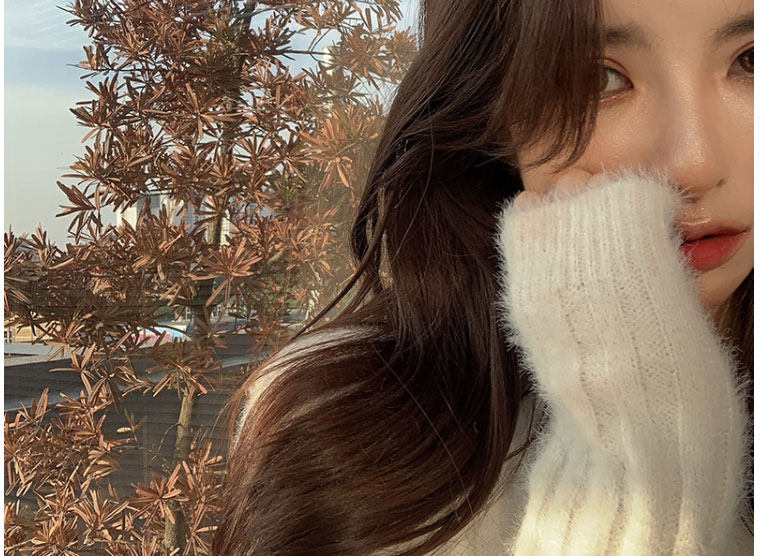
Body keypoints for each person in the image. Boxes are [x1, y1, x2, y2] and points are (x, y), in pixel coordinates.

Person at [213, 0, 754, 554]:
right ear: (495, 112)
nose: (694, 164)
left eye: (751, 61)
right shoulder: (350, 427)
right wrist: (638, 446)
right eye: (596, 78)